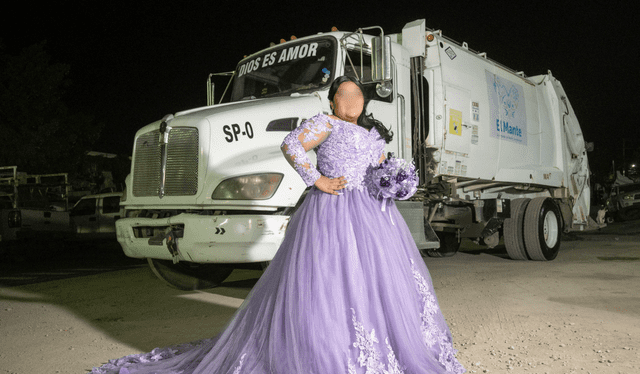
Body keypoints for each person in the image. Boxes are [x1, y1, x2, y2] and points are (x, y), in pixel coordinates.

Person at [90, 76, 465, 374]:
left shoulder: (371, 134)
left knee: (379, 282)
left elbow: (378, 168)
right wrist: (315, 179)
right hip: (332, 209)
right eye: (345, 94)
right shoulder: (326, 123)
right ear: (333, 100)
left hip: (372, 215)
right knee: (330, 282)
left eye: (357, 95)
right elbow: (291, 145)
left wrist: (394, 181)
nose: (352, 100)